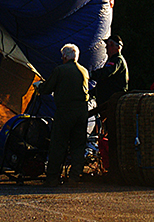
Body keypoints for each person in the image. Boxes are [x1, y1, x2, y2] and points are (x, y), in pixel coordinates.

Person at [33, 43, 89, 187]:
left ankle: (52, 178)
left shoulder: (60, 70)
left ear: (64, 56)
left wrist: (39, 86)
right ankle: (74, 177)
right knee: (78, 145)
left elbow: (47, 88)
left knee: (58, 144)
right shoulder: (84, 71)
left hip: (65, 111)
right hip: (82, 112)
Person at [89, 35, 129, 136]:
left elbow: (107, 73)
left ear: (117, 47)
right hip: (107, 101)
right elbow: (105, 82)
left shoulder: (117, 61)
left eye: (109, 45)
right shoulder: (113, 61)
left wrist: (90, 75)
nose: (106, 48)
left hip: (111, 101)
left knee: (110, 127)